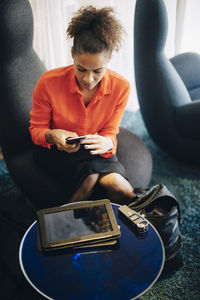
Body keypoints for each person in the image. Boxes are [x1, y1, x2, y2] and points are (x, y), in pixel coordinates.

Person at [29, 5, 135, 204]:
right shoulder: (48, 83)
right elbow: (36, 131)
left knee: (121, 188)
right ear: (72, 54)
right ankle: (68, 226)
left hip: (94, 150)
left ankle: (135, 223)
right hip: (57, 151)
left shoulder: (121, 87)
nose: (89, 79)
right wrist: (52, 134)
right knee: (89, 179)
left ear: (109, 59)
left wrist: (108, 142)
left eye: (98, 71)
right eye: (81, 69)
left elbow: (110, 132)